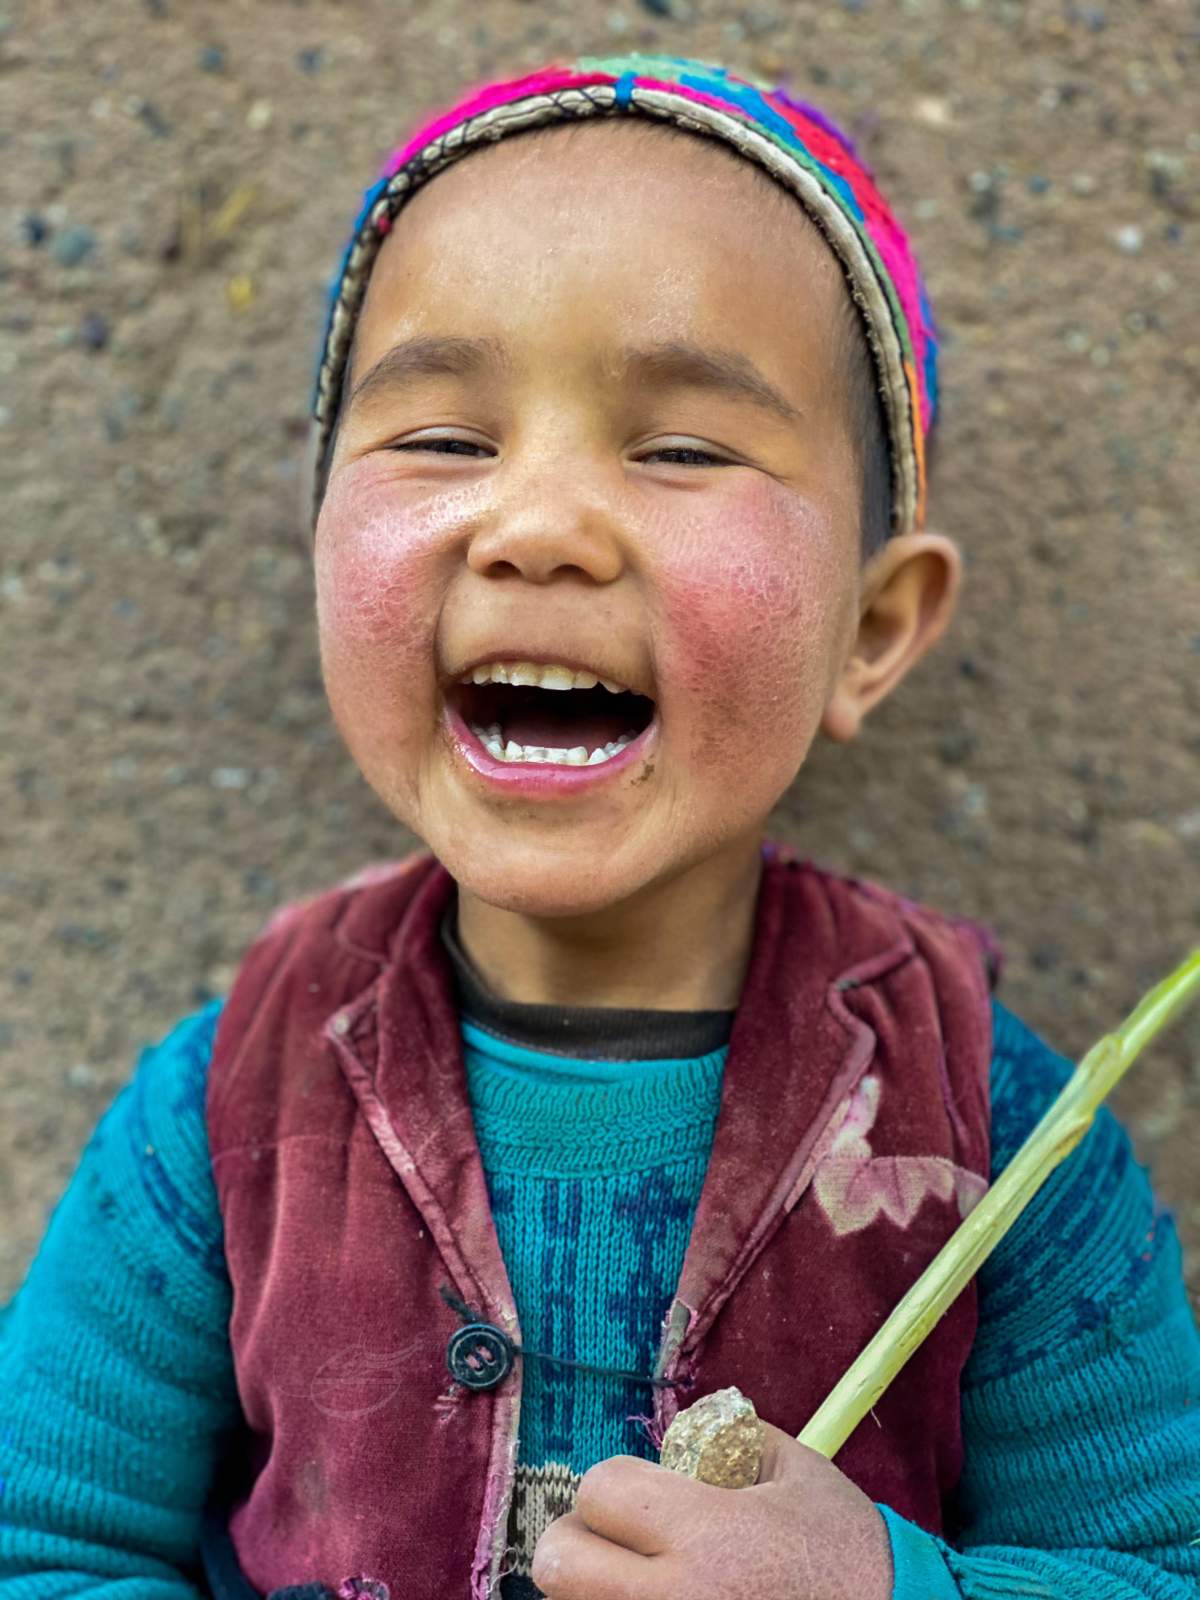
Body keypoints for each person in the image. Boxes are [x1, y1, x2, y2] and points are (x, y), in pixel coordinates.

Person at [1, 52, 1197, 1600]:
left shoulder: (993, 1136)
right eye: (443, 439)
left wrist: (884, 1589)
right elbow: (41, 1548)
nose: (542, 527)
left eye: (682, 449)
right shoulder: (228, 1113)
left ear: (871, 630)